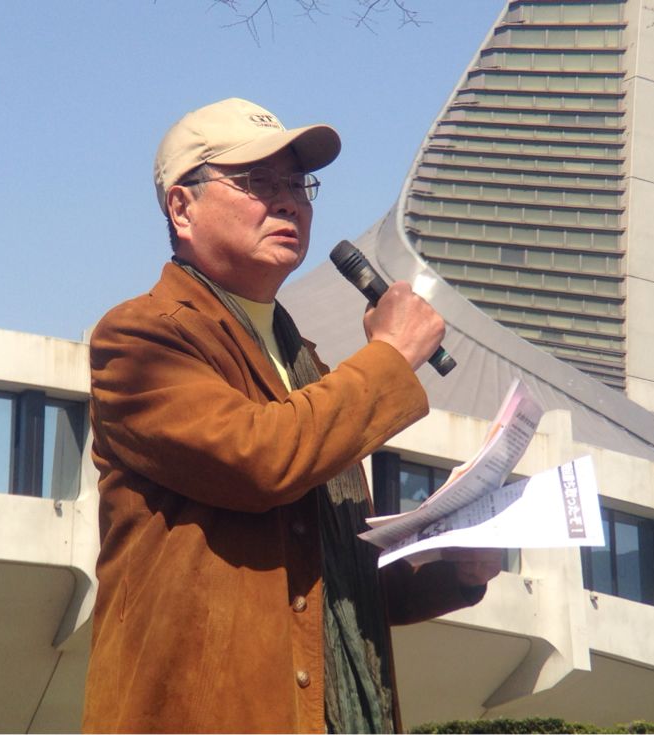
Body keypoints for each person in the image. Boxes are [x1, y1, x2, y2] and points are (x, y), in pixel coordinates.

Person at [82, 97, 502, 734]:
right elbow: (261, 459)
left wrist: (455, 570)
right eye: (257, 182)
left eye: (297, 184)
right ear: (182, 207)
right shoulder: (141, 337)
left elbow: (335, 582)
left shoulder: (305, 363)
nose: (288, 203)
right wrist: (390, 357)